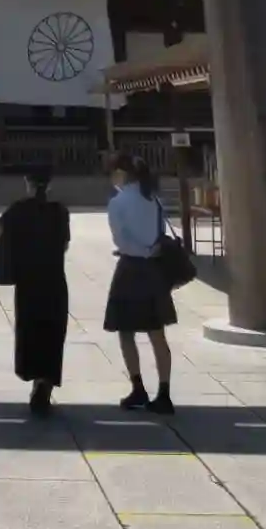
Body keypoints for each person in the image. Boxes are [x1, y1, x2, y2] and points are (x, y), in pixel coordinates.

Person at [104, 151, 176, 415]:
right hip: (154, 270)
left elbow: (121, 240)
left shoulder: (118, 202)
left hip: (131, 268)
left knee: (126, 332)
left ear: (121, 174)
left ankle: (138, 388)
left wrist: (139, 251)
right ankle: (164, 392)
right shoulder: (153, 199)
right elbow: (160, 234)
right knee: (157, 333)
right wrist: (149, 250)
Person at [0, 165, 70, 415]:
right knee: (52, 333)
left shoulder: (17, 210)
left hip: (28, 281)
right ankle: (45, 382)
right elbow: (65, 245)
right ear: (50, 185)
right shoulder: (60, 211)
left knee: (30, 331)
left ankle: (34, 377)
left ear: (27, 183)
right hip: (54, 280)